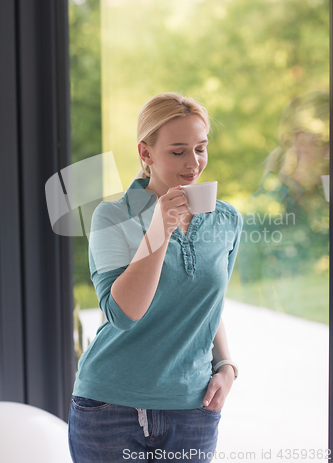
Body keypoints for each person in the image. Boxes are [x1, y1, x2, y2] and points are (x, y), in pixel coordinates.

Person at [68, 92, 243, 463]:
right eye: (178, 151)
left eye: (201, 148)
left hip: (192, 409)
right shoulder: (112, 217)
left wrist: (226, 365)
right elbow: (124, 314)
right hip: (109, 406)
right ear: (145, 154)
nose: (193, 163)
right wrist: (159, 228)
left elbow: (208, 307)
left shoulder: (226, 221)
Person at [238, 91, 329, 312]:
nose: (328, 155)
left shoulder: (325, 204)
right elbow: (250, 300)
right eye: (322, 143)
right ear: (294, 141)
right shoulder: (261, 211)